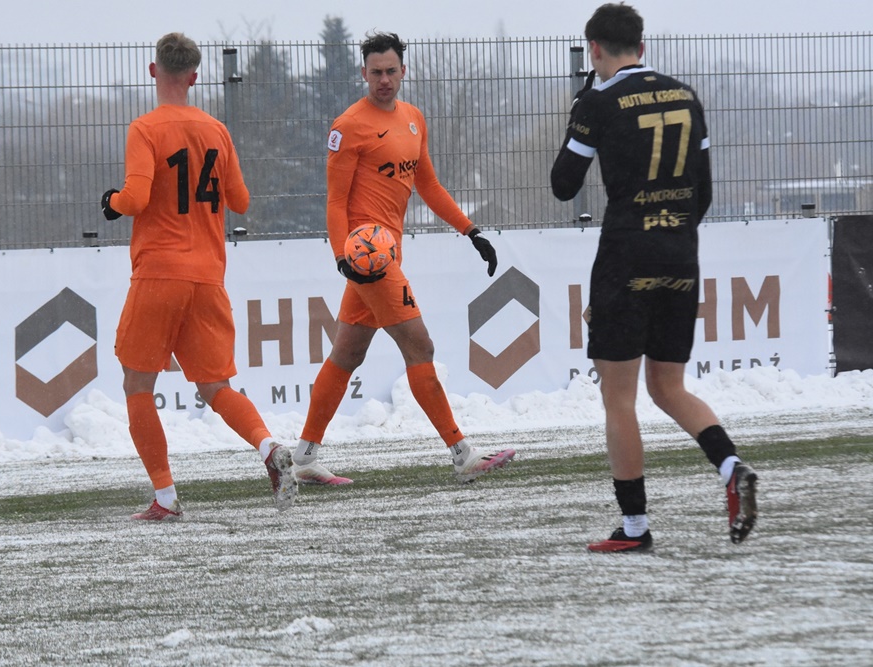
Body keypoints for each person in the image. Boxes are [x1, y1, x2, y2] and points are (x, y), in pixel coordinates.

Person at [550, 3, 758, 551]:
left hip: (625, 254)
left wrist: (579, 115)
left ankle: (635, 527)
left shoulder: (599, 101)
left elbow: (563, 185)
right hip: (681, 253)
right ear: (641, 46)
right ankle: (730, 464)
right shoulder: (687, 96)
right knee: (669, 386)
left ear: (594, 49)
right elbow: (703, 192)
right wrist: (672, 233)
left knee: (619, 398)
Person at [292, 31, 515, 486]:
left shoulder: (413, 118)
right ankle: (463, 454)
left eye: (391, 71)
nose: (384, 80)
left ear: (403, 71)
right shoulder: (347, 126)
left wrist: (471, 231)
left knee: (347, 353)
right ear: (363, 73)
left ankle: (304, 456)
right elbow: (335, 202)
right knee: (420, 346)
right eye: (376, 72)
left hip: (388, 252)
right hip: (369, 261)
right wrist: (342, 258)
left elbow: (427, 185)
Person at [100, 32, 297, 520]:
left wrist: (111, 202)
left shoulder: (145, 128)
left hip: (159, 274)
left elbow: (135, 198)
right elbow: (241, 201)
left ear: (153, 71)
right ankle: (268, 446)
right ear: (194, 76)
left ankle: (166, 498)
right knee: (216, 386)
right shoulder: (217, 130)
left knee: (137, 385)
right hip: (208, 277)